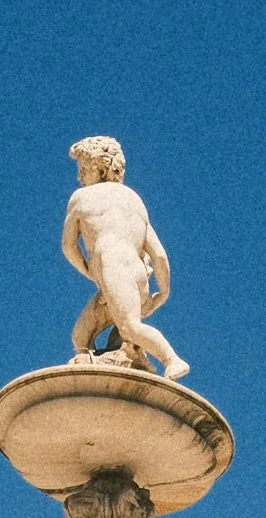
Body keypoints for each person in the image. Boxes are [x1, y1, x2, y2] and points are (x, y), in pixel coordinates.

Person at [60, 135, 189, 379]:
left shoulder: (81, 197)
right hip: (139, 275)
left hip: (114, 271)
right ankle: (120, 358)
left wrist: (91, 273)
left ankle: (172, 360)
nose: (79, 177)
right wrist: (163, 291)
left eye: (83, 170)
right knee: (81, 336)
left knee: (130, 327)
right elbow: (159, 255)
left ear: (98, 169)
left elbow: (68, 247)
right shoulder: (134, 201)